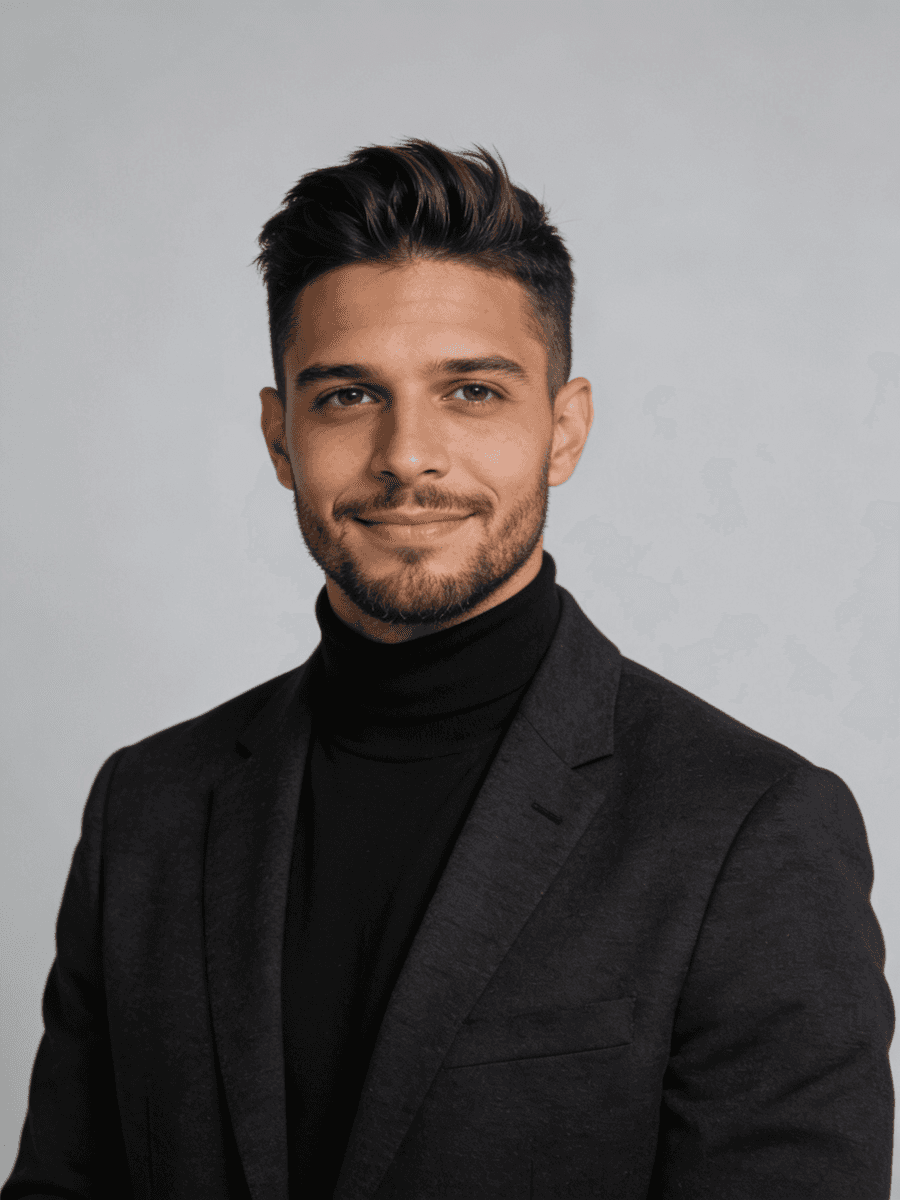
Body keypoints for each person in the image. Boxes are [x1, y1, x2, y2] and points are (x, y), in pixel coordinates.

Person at [2, 139, 893, 1200]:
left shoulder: (750, 830)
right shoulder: (145, 811)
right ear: (279, 435)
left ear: (563, 430)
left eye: (471, 390)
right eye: (345, 396)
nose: (407, 455)